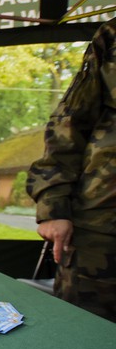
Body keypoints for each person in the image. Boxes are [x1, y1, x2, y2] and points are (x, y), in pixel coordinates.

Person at [26, 17, 116, 322]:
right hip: (103, 229)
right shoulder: (112, 35)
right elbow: (69, 123)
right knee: (86, 331)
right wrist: (53, 206)